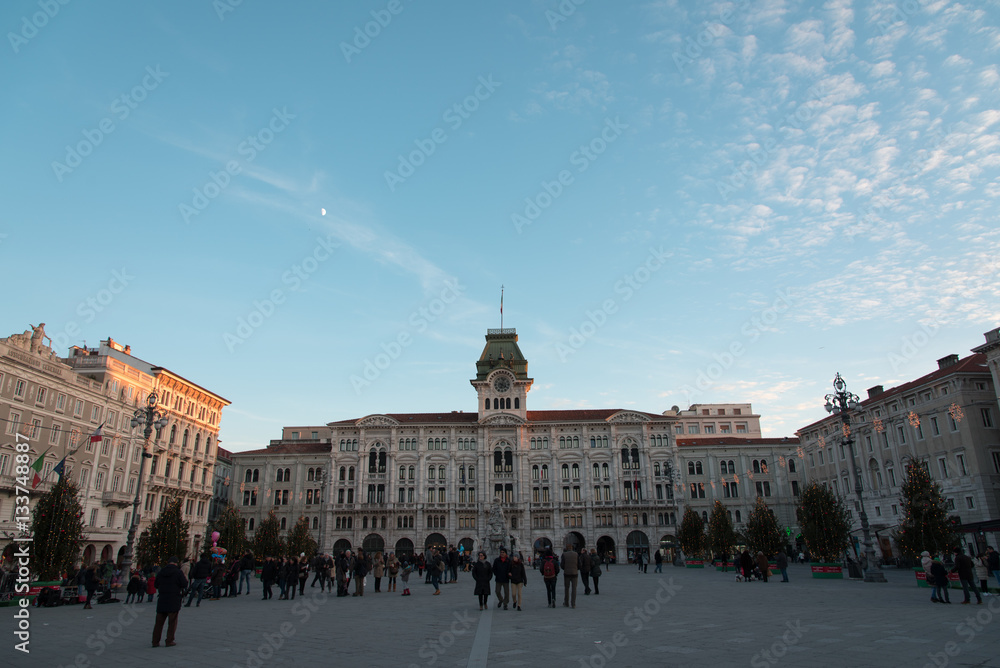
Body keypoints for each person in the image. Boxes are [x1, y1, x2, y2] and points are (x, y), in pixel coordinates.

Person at [151, 556, 188, 648]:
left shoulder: (161, 572)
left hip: (162, 598)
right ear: (176, 563)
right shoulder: (178, 572)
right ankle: (169, 640)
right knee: (172, 622)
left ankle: (155, 641)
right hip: (174, 599)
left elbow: (156, 584)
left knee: (158, 623)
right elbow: (184, 584)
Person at [561, 544, 579, 608]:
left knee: (566, 588)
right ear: (572, 548)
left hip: (567, 573)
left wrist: (566, 568)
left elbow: (562, 565)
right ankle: (573, 604)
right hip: (574, 573)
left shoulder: (564, 554)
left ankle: (566, 603)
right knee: (574, 588)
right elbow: (579, 564)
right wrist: (576, 569)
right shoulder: (576, 554)